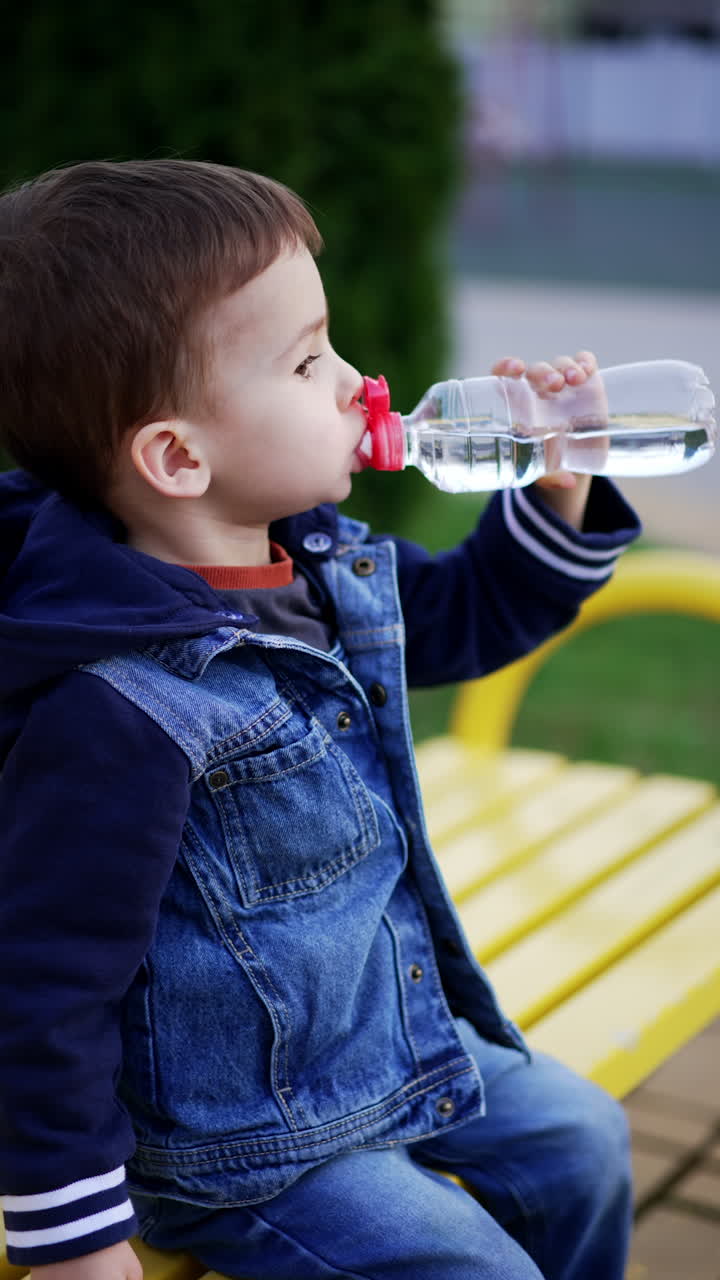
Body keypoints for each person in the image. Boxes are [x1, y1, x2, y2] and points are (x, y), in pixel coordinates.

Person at [0, 159, 641, 1280]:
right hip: (247, 1139)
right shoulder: (119, 708)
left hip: (381, 1036)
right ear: (178, 456)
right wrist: (73, 1241)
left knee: (579, 1143)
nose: (358, 381)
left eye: (331, 342)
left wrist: (557, 486)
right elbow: (43, 985)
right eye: (307, 361)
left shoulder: (318, 562)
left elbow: (470, 613)